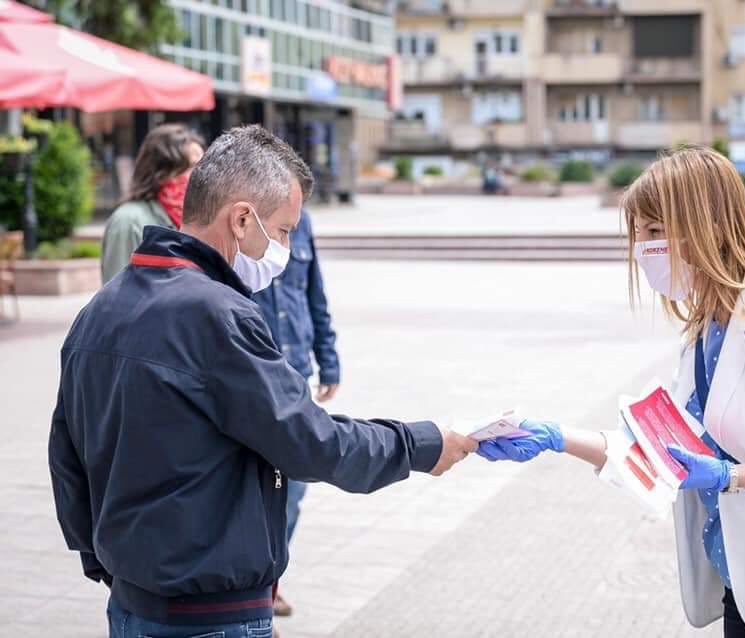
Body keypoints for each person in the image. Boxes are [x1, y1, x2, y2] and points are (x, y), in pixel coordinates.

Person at [49, 125, 477, 638]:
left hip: (132, 604)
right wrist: (424, 444)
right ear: (242, 219)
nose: (288, 247)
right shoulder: (218, 315)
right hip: (209, 615)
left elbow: (65, 458)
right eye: (284, 230)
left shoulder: (103, 306)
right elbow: (311, 442)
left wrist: (106, 565)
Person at [479, 148, 745, 637]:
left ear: (705, 226)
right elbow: (659, 455)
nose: (642, 249)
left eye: (654, 232)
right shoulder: (705, 329)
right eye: (637, 234)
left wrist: (732, 475)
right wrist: (558, 437)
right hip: (743, 591)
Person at [252, 211, 340, 618]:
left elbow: (313, 292)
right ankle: (255, 591)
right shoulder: (245, 222)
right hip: (255, 377)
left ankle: (270, 582)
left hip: (298, 373)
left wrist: (329, 358)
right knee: (257, 490)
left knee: (295, 490)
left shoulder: (301, 222)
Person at [100, 124, 205, 283]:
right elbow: (115, 296)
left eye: (202, 166)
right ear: (161, 171)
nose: (201, 175)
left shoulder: (196, 219)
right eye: (191, 166)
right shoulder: (129, 221)